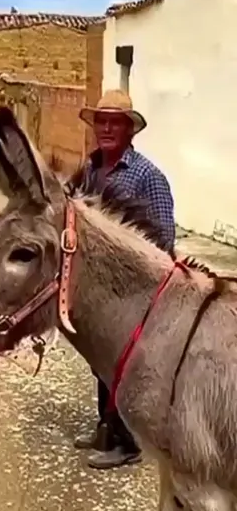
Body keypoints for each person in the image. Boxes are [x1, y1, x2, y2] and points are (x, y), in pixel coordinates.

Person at [68, 89, 175, 471]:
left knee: (127, 368)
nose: (107, 128)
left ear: (131, 129)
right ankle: (107, 426)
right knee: (101, 361)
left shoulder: (149, 176)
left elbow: (164, 238)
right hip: (100, 292)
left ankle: (128, 440)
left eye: (115, 122)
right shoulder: (90, 170)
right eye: (101, 121)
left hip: (136, 296)